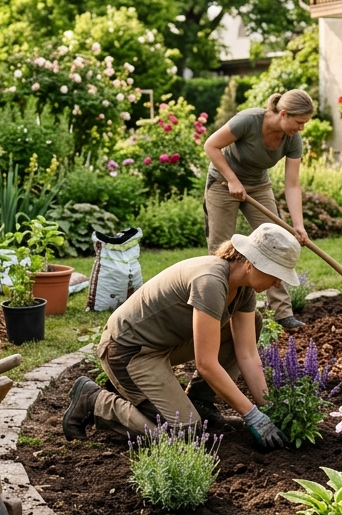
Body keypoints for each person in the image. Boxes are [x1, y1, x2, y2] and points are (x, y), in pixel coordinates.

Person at [62, 222, 301, 450]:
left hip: (163, 345)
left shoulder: (243, 289)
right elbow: (206, 363)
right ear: (251, 263)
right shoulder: (210, 282)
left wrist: (269, 410)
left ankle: (200, 402)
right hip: (127, 350)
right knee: (185, 433)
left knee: (252, 323)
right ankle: (94, 401)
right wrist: (251, 415)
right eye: (275, 273)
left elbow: (248, 355)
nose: (278, 281)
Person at [202, 88, 315, 330]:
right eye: (299, 122)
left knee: (278, 242)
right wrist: (232, 179)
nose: (302, 128)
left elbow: (292, 184)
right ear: (283, 114)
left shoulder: (292, 139)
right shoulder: (249, 120)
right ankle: (217, 311)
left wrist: (297, 225)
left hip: (258, 186)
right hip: (223, 183)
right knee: (221, 247)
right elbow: (211, 145)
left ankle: (283, 312)